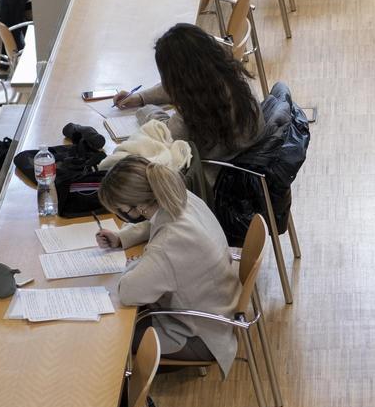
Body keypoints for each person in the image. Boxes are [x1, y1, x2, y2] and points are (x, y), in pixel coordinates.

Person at [95, 155, 242, 378]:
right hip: (219, 311)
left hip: (199, 336)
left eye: (120, 209)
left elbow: (128, 292)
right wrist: (122, 237)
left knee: (109, 338)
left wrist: (135, 265)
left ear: (137, 207)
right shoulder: (178, 196)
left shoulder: (169, 244)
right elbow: (154, 222)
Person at [113, 23, 265, 165]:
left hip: (215, 180)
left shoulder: (196, 112)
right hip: (250, 161)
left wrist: (147, 110)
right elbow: (185, 86)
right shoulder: (233, 76)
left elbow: (165, 134)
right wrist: (141, 97)